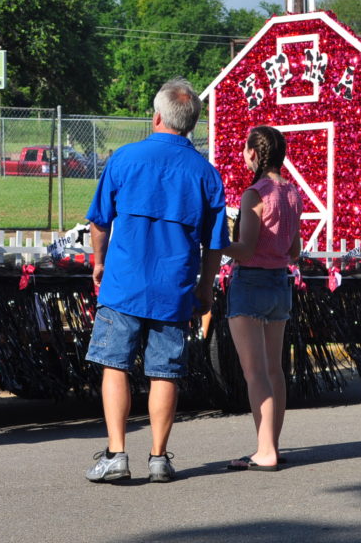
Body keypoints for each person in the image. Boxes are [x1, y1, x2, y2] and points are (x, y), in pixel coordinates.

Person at [84, 77, 229, 483]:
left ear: (157, 116)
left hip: (124, 281)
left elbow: (99, 221)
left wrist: (100, 261)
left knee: (115, 365)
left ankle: (116, 454)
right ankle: (159, 457)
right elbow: (215, 243)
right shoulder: (205, 173)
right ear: (191, 123)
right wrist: (204, 287)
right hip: (174, 286)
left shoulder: (125, 158)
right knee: (164, 371)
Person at [222, 125, 303, 472]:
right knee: (274, 370)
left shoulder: (254, 194)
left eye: (245, 149)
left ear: (254, 154)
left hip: (251, 285)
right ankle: (271, 444)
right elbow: (295, 250)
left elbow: (245, 249)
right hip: (279, 284)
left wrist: (215, 242)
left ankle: (265, 450)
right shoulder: (291, 193)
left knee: (255, 373)